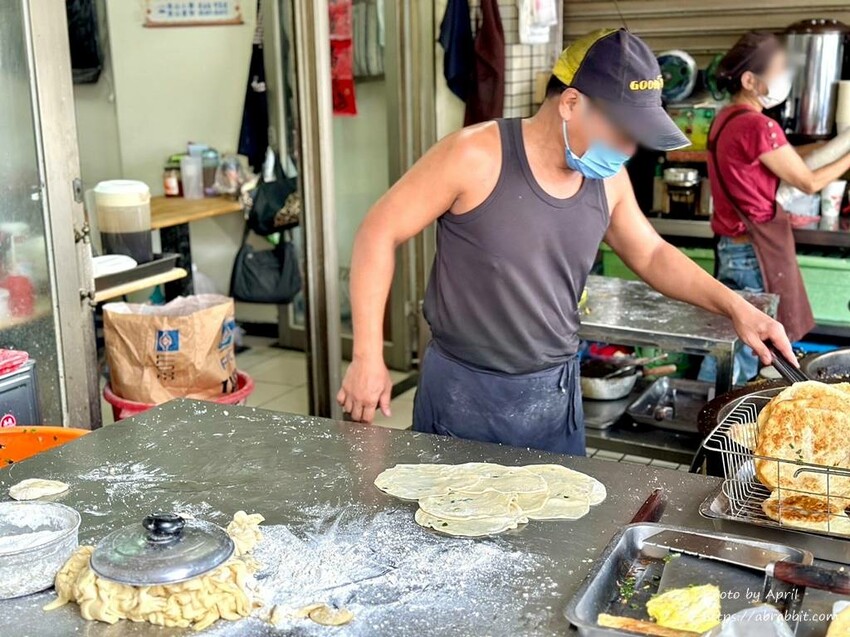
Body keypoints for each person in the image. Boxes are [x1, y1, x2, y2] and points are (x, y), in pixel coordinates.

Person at [337, 28, 795, 456]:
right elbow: (378, 232)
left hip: (554, 394)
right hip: (464, 391)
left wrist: (737, 308)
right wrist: (367, 357)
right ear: (571, 102)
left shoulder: (609, 179)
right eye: (620, 131)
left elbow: (652, 253)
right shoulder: (472, 155)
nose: (628, 150)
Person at [702, 31, 850, 383]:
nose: (785, 77)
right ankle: (720, 421)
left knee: (730, 340)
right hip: (754, 254)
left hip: (731, 247)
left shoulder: (726, 119)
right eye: (780, 69)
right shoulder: (758, 125)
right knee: (747, 347)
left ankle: (711, 407)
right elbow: (809, 182)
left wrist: (831, 146)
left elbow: (786, 157)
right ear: (750, 80)